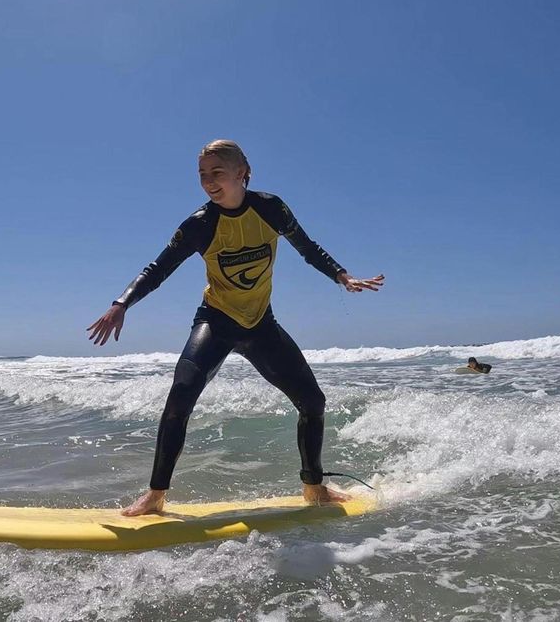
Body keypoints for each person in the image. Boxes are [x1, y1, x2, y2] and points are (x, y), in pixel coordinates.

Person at [87, 140, 385, 516]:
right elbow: (157, 269)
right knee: (180, 395)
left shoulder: (271, 209)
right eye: (202, 175)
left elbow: (307, 248)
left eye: (217, 173)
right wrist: (121, 303)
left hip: (261, 325)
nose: (209, 182)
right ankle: (155, 495)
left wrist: (342, 276)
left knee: (313, 402)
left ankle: (314, 487)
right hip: (217, 321)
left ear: (242, 172)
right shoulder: (200, 225)